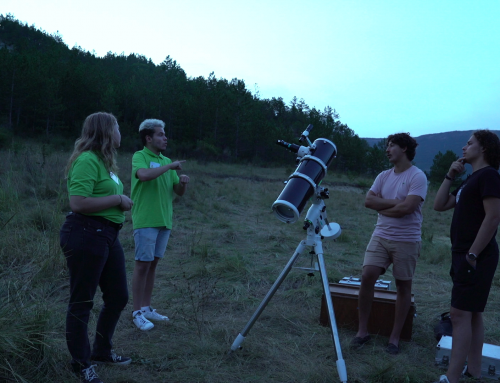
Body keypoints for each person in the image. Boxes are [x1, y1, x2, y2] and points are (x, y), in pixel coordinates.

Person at [60, 112, 133, 383]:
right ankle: (81, 364)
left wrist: (118, 201)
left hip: (108, 235)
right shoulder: (88, 160)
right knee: (82, 302)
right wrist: (118, 199)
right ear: (105, 131)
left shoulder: (106, 163)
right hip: (85, 233)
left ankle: (102, 350)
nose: (120, 132)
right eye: (116, 127)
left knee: (118, 296)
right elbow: (78, 202)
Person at [350, 133, 427, 355]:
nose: (387, 149)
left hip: (407, 239)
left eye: (391, 145)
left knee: (403, 286)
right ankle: (362, 331)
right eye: (387, 145)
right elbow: (368, 201)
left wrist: (384, 206)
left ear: (404, 148)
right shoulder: (383, 176)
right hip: (380, 235)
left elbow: (408, 208)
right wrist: (395, 203)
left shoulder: (417, 176)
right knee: (367, 276)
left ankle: (394, 338)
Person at [433, 130, 500, 383]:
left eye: (469, 143)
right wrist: (450, 175)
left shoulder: (489, 175)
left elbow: (494, 216)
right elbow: (439, 205)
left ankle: (452, 378)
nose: (464, 147)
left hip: (476, 255)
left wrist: (473, 253)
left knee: (459, 314)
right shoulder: (471, 179)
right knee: (472, 313)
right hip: (466, 254)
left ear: (483, 148)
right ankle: (473, 370)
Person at [130, 119, 189, 330]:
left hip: (165, 220)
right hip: (146, 219)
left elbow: (177, 191)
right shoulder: (140, 156)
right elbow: (143, 175)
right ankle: (136, 312)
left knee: (153, 264)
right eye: (160, 135)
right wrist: (170, 166)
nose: (165, 138)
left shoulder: (166, 160)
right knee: (142, 264)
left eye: (164, 135)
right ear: (148, 138)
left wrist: (182, 183)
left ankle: (146, 308)